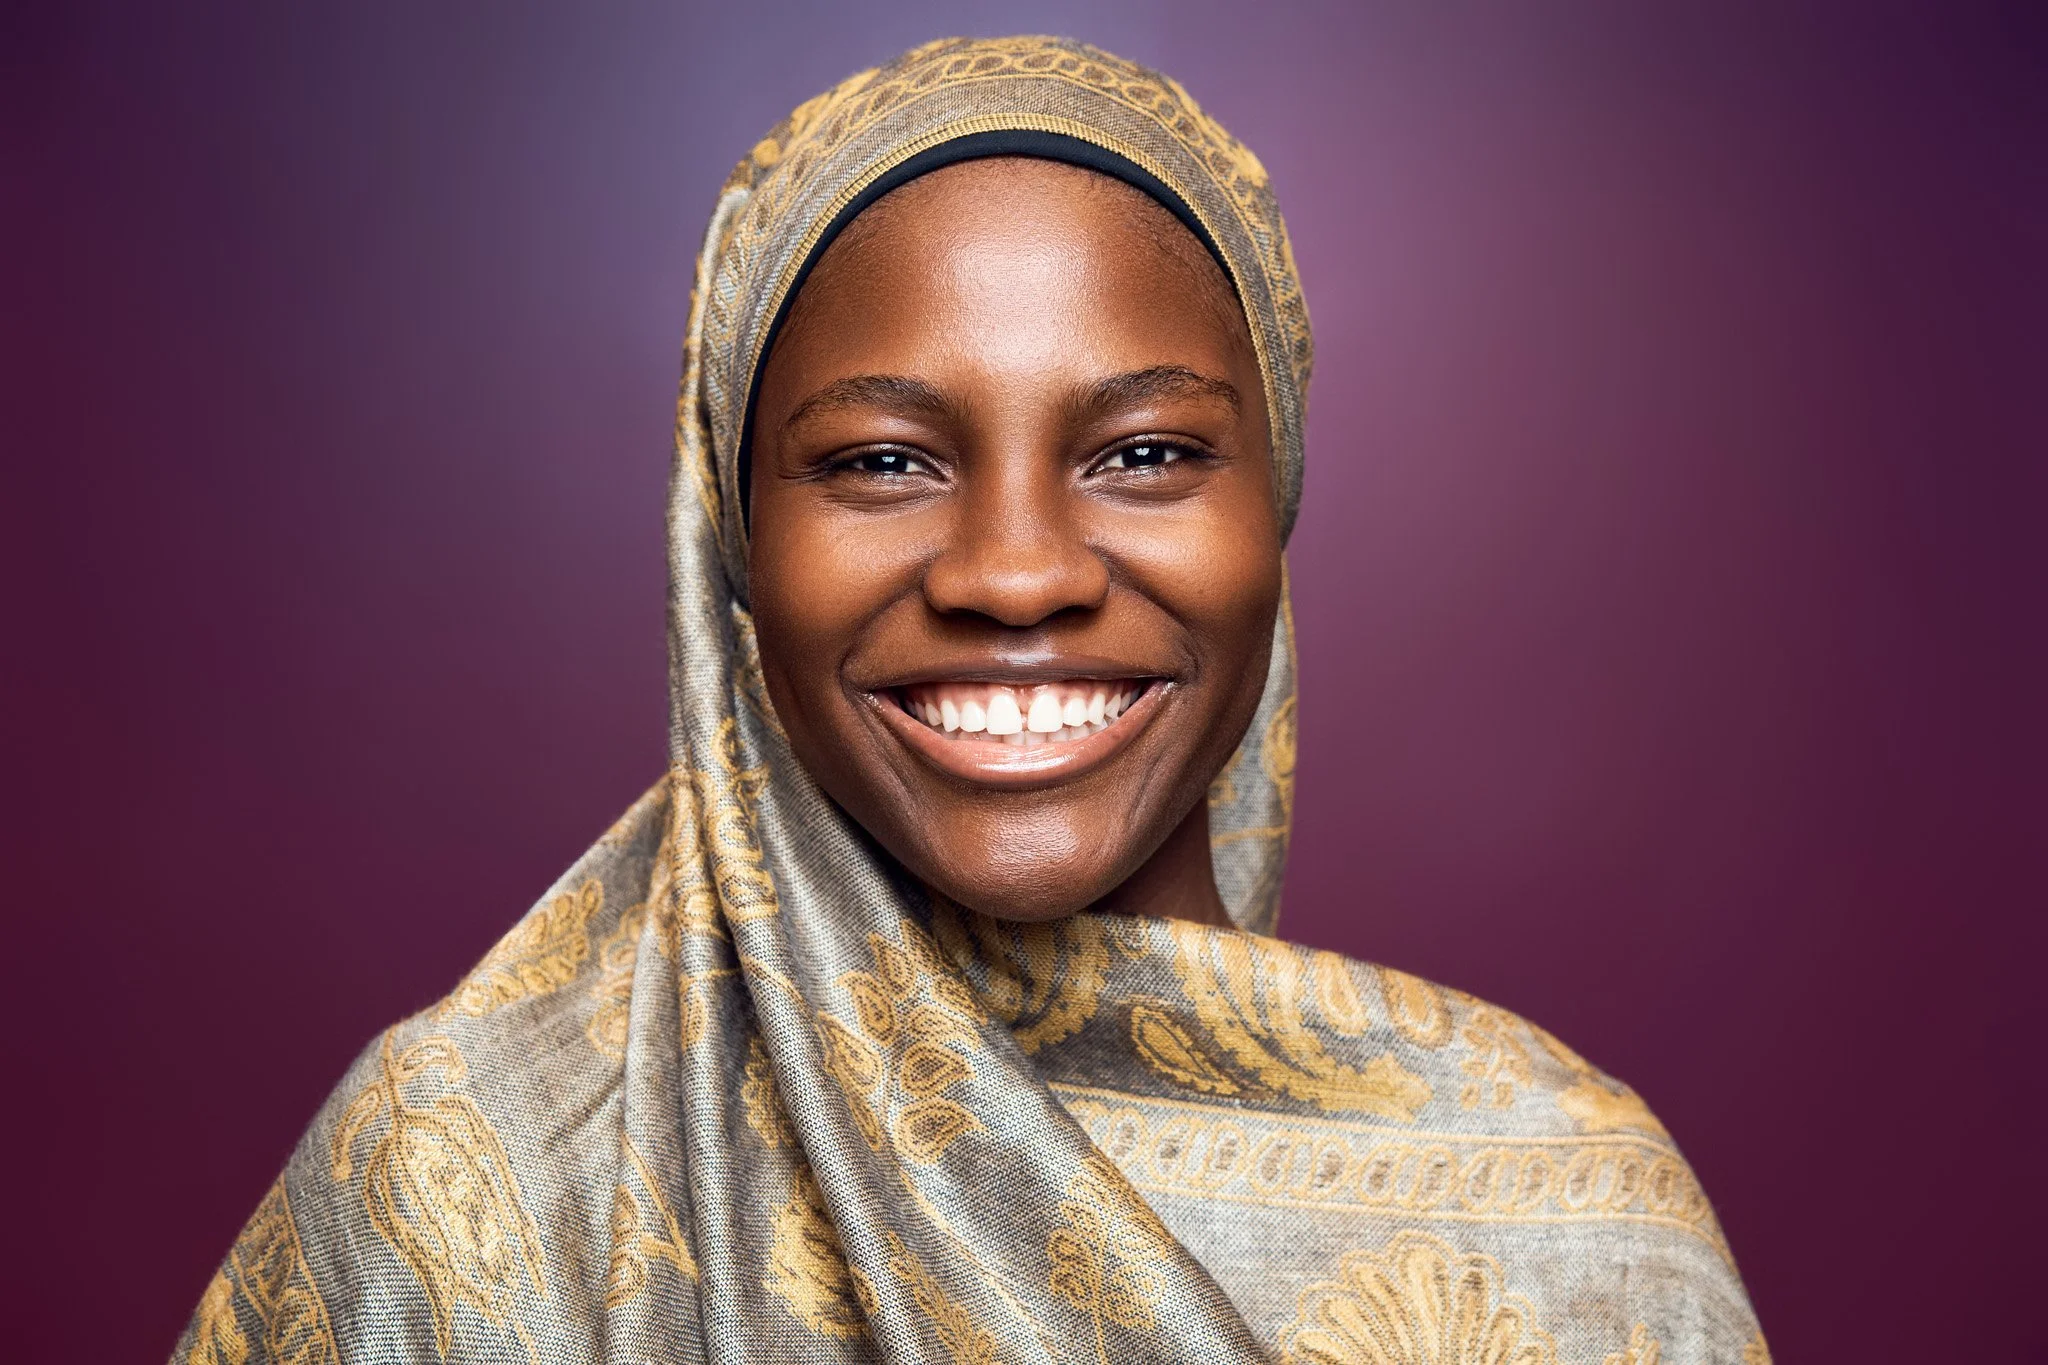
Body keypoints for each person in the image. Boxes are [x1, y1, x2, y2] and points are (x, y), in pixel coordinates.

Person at [174, 36, 1766, 1365]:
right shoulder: (469, 1180)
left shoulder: (1581, 1227)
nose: (1015, 574)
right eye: (881, 463)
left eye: (1146, 453)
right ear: (730, 542)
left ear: (1275, 514)